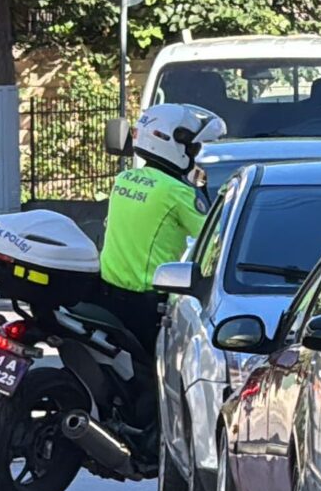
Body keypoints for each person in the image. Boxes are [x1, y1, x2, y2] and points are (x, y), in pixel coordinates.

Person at [94, 103, 226, 368]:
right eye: (192, 148)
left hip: (108, 292)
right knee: (160, 377)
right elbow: (217, 238)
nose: (194, 155)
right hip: (148, 302)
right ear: (173, 144)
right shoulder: (177, 193)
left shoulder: (124, 179)